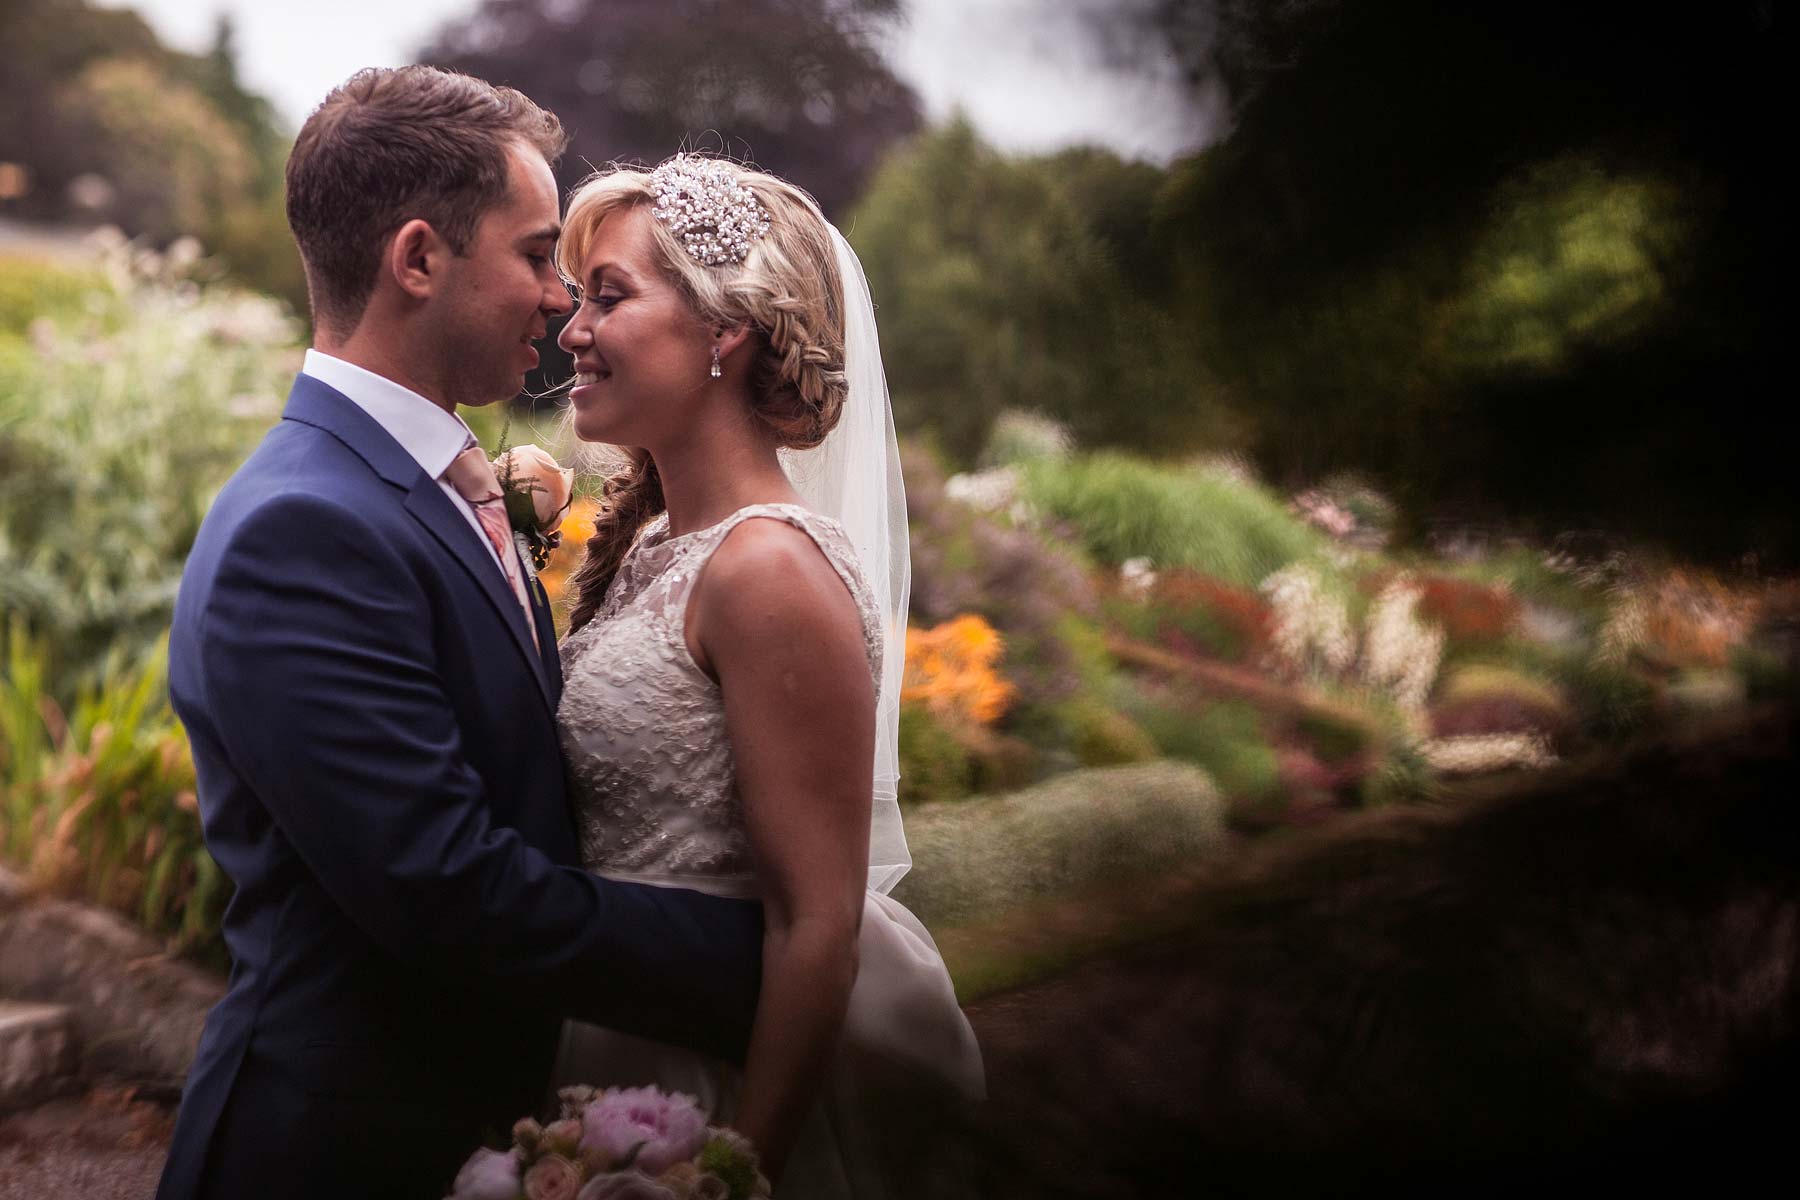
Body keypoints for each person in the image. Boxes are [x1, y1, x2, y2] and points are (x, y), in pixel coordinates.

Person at [154, 69, 765, 1200]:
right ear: (420, 259)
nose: (558, 301)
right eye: (537, 255)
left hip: (480, 1131)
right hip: (338, 1153)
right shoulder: (303, 527)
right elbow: (450, 892)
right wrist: (768, 956)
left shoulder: (424, 484)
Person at [547, 155, 984, 1195]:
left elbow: (817, 924)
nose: (572, 330)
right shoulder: (662, 550)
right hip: (613, 1041)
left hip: (705, 1083)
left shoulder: (770, 571)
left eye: (608, 297)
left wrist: (734, 1169)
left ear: (722, 333)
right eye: (577, 298)